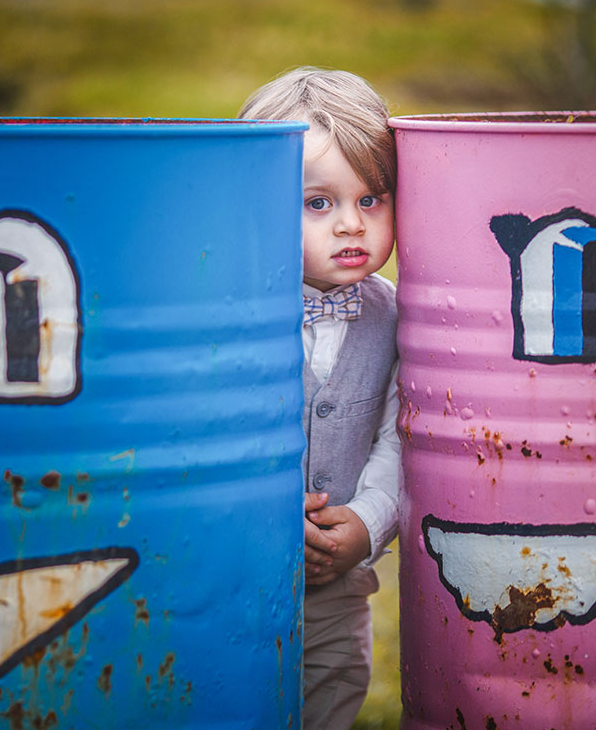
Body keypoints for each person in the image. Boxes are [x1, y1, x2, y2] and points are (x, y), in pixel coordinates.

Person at [239, 67, 400, 730]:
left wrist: (366, 523)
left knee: (329, 701)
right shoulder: (231, 315)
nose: (349, 225)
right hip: (233, 583)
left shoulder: (397, 316)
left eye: (371, 200)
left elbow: (400, 437)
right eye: (318, 203)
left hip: (337, 593)